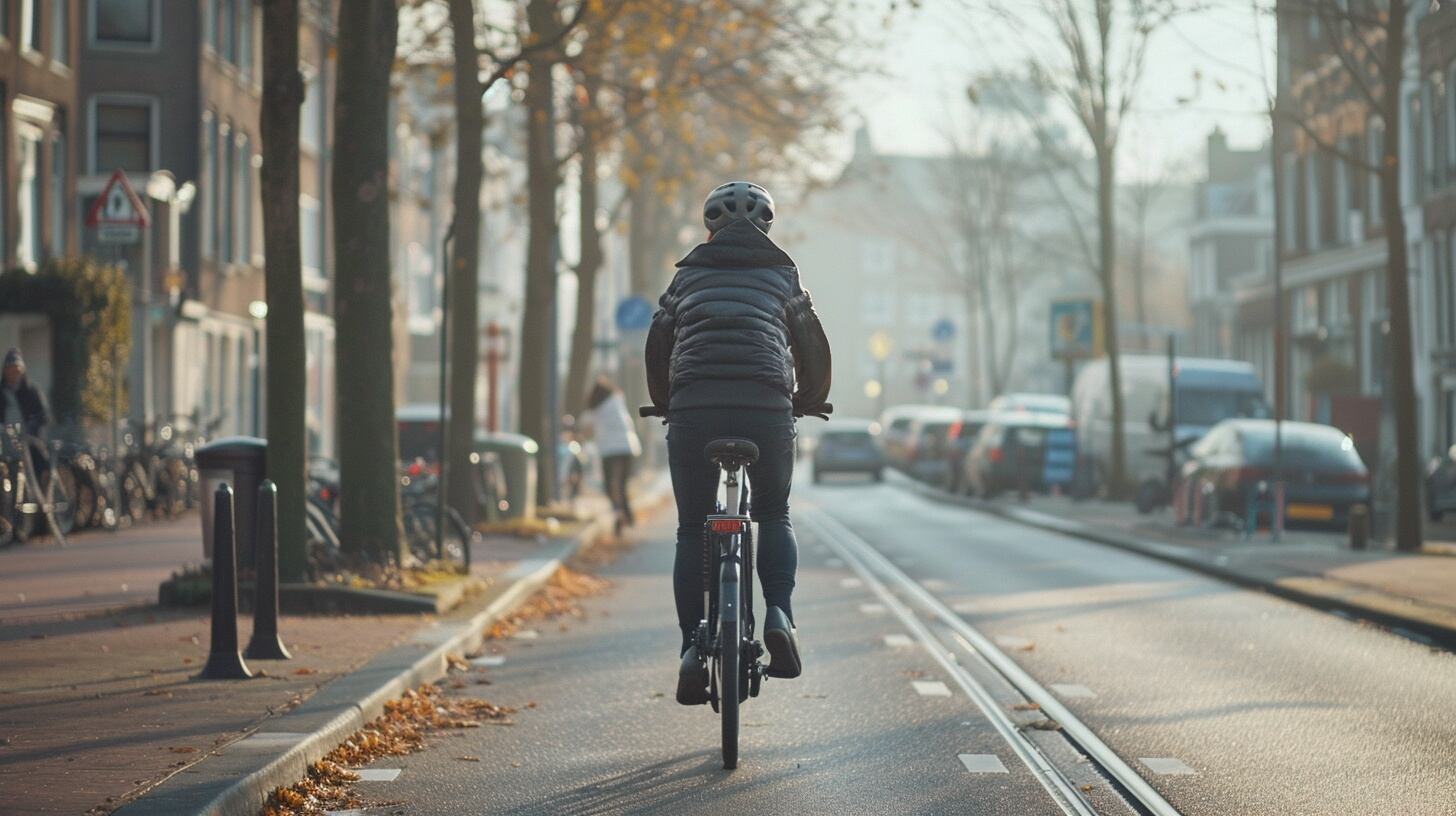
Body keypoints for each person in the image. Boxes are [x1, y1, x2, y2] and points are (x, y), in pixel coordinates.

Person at [644, 181, 831, 705]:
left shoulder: (686, 276)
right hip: (766, 406)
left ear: (709, 230)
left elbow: (659, 344)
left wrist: (666, 400)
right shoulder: (783, 274)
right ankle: (778, 616)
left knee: (690, 528)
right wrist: (809, 398)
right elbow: (812, 344)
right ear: (768, 228)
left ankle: (689, 650)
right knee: (773, 512)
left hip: (694, 406)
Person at [585, 378, 641, 535]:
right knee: (621, 484)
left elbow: (587, 428)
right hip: (628, 447)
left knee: (611, 485)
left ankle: (619, 514)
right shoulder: (617, 400)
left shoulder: (597, 408)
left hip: (610, 450)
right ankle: (627, 516)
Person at [2, 348, 51, 476]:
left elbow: (44, 416)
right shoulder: (2, 393)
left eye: (16, 370)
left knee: (41, 470)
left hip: (29, 445)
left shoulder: (32, 392)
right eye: (10, 370)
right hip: (5, 445)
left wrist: (31, 427)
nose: (13, 374)